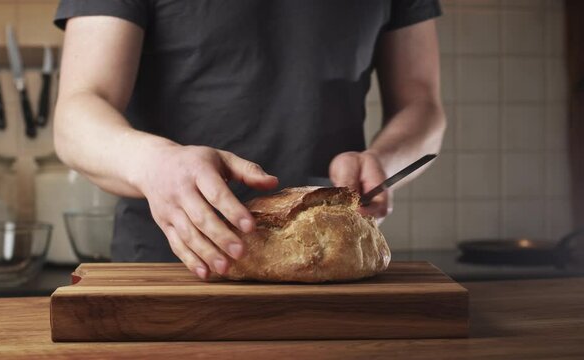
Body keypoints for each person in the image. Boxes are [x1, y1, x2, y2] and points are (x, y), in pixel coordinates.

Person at [53, 0, 446, 279]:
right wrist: (155, 163)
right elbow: (76, 114)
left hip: (332, 278)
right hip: (172, 274)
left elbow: (421, 105)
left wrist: (384, 160)